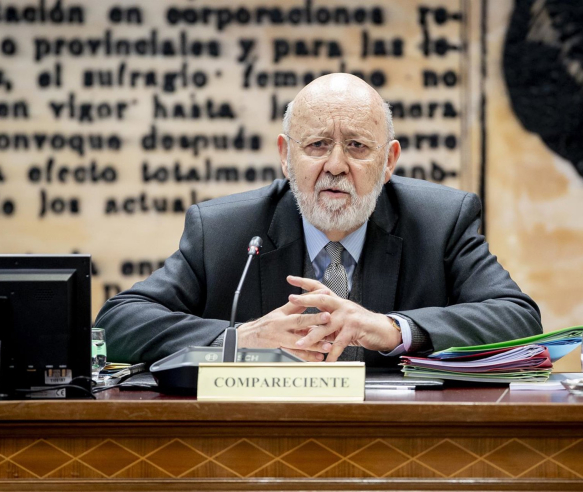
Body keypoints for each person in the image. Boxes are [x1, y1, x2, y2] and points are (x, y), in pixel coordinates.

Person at [96, 73, 542, 365]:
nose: (335, 165)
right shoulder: (223, 231)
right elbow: (115, 326)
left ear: (389, 161)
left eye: (357, 146)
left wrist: (392, 329)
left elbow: (519, 320)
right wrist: (242, 338)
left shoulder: (440, 221)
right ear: (285, 156)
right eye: (317, 145)